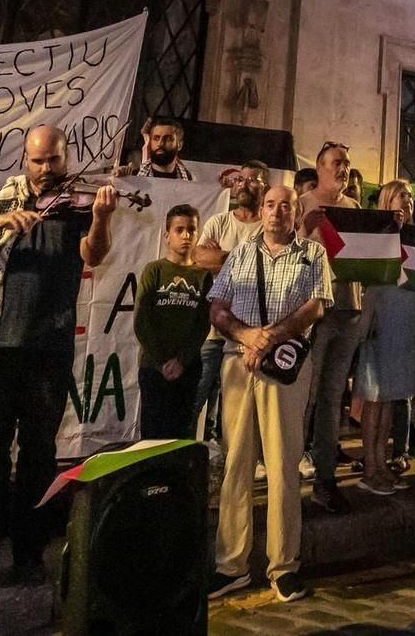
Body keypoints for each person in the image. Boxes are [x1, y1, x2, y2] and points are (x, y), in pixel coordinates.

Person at [0, 125, 117, 590]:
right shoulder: (3, 199)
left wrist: (100, 218)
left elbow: (94, 255)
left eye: (53, 161)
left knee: (40, 456)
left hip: (48, 347)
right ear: (25, 159)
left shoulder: (77, 204)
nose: (45, 170)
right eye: (37, 161)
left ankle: (28, 554)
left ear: (65, 158)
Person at [206, 181, 329, 604]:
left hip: (284, 367)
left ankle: (283, 567)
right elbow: (218, 306)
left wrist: (270, 337)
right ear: (261, 210)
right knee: (236, 464)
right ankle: (231, 565)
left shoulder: (313, 254)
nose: (277, 212)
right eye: (271, 205)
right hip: (238, 363)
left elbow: (315, 306)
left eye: (286, 206)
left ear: (297, 212)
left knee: (282, 464)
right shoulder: (240, 253)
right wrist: (246, 336)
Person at [297, 141, 369, 512]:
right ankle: (288, 472)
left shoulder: (354, 208)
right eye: (336, 162)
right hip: (317, 313)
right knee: (305, 396)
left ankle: (325, 478)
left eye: (346, 162)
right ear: (320, 167)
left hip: (348, 309)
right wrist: (304, 231)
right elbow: (287, 256)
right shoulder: (304, 205)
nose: (342, 168)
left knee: (331, 397)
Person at [354, 180, 415, 495]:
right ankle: (370, 466)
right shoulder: (376, 235)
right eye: (401, 195)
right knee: (375, 396)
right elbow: (366, 275)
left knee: (391, 397)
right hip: (381, 316)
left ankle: (382, 460)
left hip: (406, 319)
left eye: (409, 197)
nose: (407, 200)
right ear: (387, 200)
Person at [192, 161, 265, 461]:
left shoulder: (268, 226)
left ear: (264, 187)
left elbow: (266, 268)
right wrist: (242, 257)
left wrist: (220, 256)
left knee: (236, 400)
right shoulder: (218, 222)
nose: (244, 185)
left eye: (252, 180)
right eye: (240, 179)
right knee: (198, 393)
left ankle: (232, 456)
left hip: (249, 330)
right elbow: (199, 258)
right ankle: (189, 456)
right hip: (213, 327)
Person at [134, 204, 212, 440]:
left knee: (181, 434)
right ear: (167, 236)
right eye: (179, 230)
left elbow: (203, 324)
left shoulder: (203, 275)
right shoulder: (154, 270)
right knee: (152, 435)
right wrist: (163, 361)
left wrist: (181, 360)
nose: (186, 235)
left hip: (187, 367)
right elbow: (142, 320)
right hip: (153, 367)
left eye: (191, 230)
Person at [129, 116, 195, 180]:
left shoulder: (189, 180)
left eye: (168, 139)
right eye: (156, 138)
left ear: (179, 145)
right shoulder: (133, 177)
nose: (160, 144)